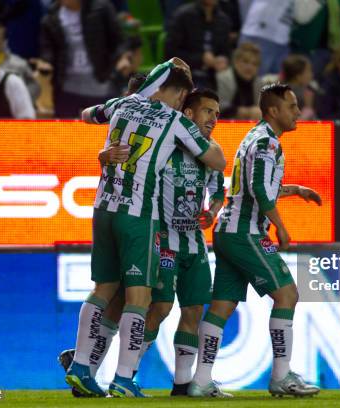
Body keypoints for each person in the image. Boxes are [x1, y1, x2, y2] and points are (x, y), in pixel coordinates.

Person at [64, 60, 226, 398]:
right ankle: (123, 379)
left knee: (103, 288)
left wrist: (102, 151)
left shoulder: (123, 104)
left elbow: (85, 115)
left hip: (103, 207)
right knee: (141, 298)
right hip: (139, 215)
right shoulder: (175, 121)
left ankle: (81, 366)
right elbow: (216, 161)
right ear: (182, 94)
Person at [188, 83, 322, 398]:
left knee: (222, 305)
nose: (298, 112)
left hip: (228, 231)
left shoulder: (255, 137)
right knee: (287, 294)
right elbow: (259, 191)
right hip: (245, 232)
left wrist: (296, 190)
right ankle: (281, 377)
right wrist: (281, 228)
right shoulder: (267, 143)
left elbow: (253, 186)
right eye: (292, 106)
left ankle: (200, 381)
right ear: (274, 111)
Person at [37, 0, 129, 118]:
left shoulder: (101, 8)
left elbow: (118, 40)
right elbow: (48, 48)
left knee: (102, 131)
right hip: (67, 87)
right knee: (67, 132)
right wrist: (46, 62)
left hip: (100, 84)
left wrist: (122, 57)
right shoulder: (51, 16)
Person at [165, 0, 232, 89]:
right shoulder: (183, 15)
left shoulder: (224, 20)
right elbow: (170, 52)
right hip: (185, 73)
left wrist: (223, 60)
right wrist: (200, 58)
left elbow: (226, 52)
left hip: (214, 75)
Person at [216, 42, 262, 119]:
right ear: (236, 62)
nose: (250, 67)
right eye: (245, 61)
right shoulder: (222, 78)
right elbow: (219, 106)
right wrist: (246, 112)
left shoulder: (259, 83)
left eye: (254, 64)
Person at [281, 54, 317, 120]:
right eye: (308, 71)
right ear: (298, 76)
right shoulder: (299, 94)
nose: (311, 75)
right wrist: (308, 107)